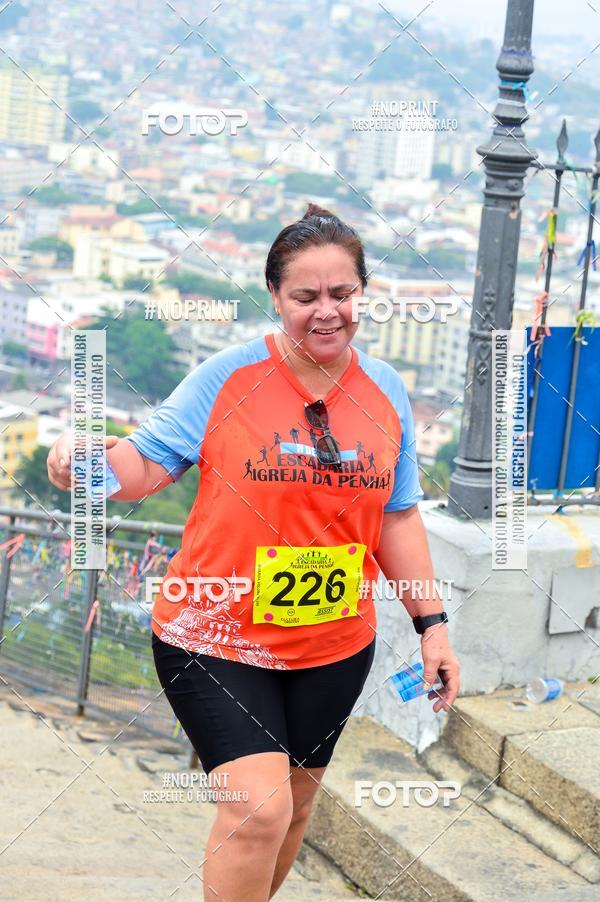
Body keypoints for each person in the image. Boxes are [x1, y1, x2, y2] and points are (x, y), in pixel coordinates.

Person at [47, 203, 461, 901]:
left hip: (332, 643)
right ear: (275, 297)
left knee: (295, 808)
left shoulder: (387, 392)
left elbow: (396, 516)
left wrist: (432, 625)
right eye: (306, 297)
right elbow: (145, 467)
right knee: (257, 807)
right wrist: (79, 465)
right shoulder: (228, 378)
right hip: (213, 636)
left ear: (363, 292)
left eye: (342, 294)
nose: (326, 312)